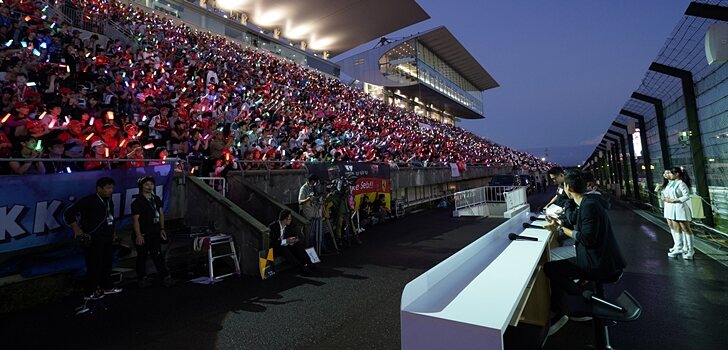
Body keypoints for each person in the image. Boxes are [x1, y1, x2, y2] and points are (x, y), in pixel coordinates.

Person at [543, 171, 626, 336]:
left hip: (599, 263)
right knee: (554, 268)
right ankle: (567, 309)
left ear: (569, 187)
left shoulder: (589, 206)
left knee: (551, 268)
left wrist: (559, 228)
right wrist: (561, 221)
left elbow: (585, 238)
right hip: (597, 257)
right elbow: (574, 221)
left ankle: (583, 303)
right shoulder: (586, 202)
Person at [64, 177, 122, 300]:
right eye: (107, 188)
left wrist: (113, 233)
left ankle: (107, 286)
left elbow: (110, 217)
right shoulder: (89, 200)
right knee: (94, 264)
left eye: (112, 188)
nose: (110, 190)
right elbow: (69, 213)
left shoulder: (109, 200)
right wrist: (76, 228)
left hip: (107, 236)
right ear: (99, 188)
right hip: (93, 237)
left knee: (107, 263)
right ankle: (90, 291)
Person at [131, 176, 174, 288]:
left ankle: (165, 277)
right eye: (146, 185)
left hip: (155, 232)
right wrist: (138, 235)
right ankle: (142, 278)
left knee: (158, 255)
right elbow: (135, 220)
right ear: (141, 187)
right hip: (144, 233)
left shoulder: (156, 199)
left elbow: (161, 214)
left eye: (151, 184)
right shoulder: (138, 202)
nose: (150, 187)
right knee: (142, 256)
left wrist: (162, 229)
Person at [267, 209, 317, 274]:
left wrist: (294, 240)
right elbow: (272, 243)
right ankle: (300, 268)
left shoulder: (289, 225)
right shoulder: (273, 227)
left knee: (297, 244)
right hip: (276, 248)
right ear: (285, 219)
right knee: (283, 249)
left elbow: (296, 235)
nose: (291, 220)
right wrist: (286, 241)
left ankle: (309, 263)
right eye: (289, 219)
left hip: (286, 245)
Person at [663, 167, 694, 259]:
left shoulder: (681, 184)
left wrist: (674, 200)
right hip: (673, 209)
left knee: (686, 228)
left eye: (671, 173)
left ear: (677, 174)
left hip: (680, 208)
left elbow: (686, 196)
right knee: (676, 228)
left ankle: (690, 250)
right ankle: (679, 247)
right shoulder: (671, 184)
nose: (669, 175)